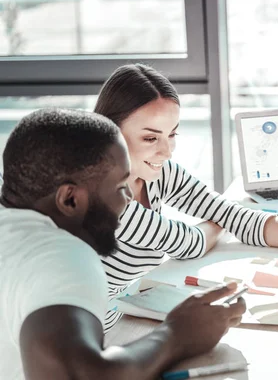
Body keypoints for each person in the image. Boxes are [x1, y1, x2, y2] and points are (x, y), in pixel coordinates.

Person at [94, 63, 278, 330]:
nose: (167, 151)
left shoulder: (156, 172)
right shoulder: (102, 196)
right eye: (150, 138)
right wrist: (219, 222)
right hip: (86, 335)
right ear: (110, 131)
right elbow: (187, 244)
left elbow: (237, 216)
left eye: (172, 134)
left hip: (123, 314)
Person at [0, 108, 246, 380]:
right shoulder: (62, 256)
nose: (129, 197)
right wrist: (178, 333)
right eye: (120, 187)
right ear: (70, 199)